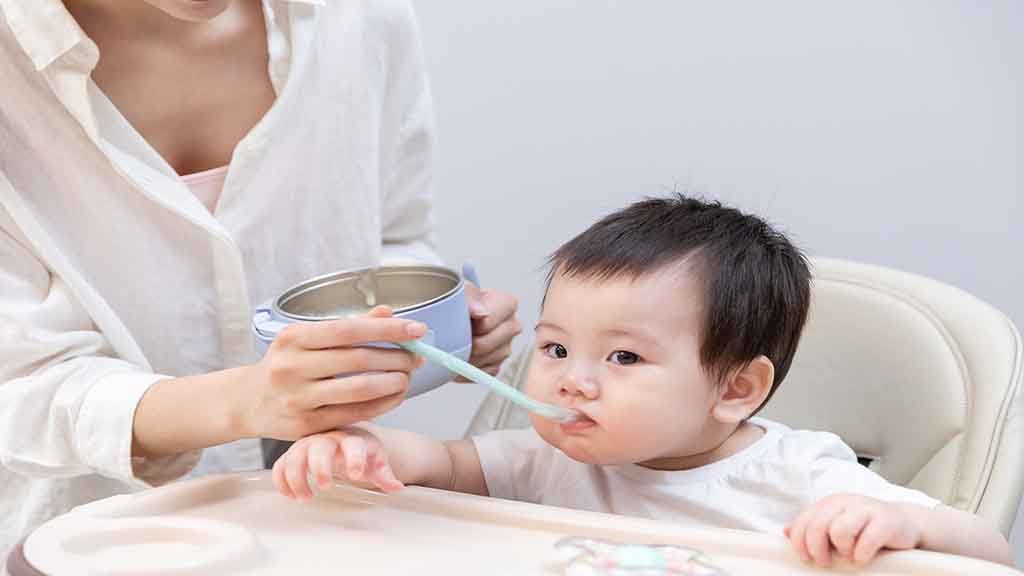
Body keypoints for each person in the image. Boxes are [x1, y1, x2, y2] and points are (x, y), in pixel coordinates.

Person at [0, 0, 521, 557]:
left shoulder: (360, 19)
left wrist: (437, 331)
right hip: (81, 545)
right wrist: (245, 399)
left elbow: (391, 239)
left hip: (322, 532)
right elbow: (20, 387)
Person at [274, 195, 1012, 568]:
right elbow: (440, 465)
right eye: (556, 348)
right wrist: (362, 450)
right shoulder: (551, 459)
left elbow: (989, 552)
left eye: (623, 358)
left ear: (736, 389)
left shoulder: (798, 475)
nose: (571, 382)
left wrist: (904, 525)